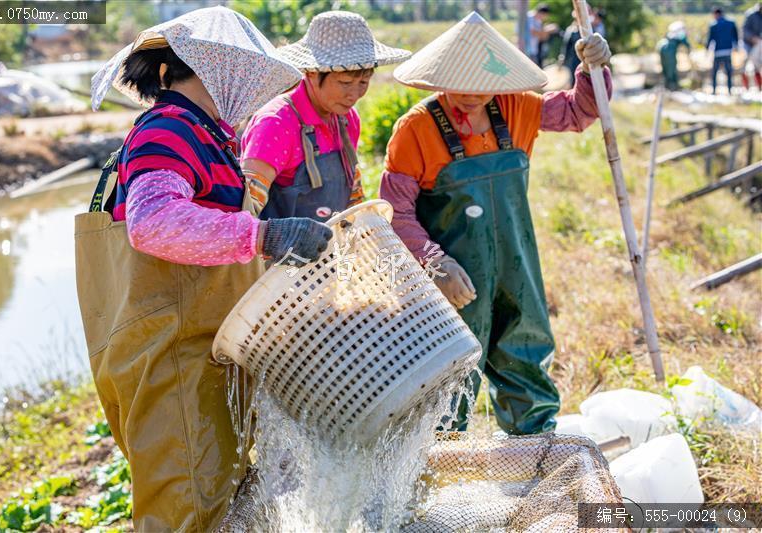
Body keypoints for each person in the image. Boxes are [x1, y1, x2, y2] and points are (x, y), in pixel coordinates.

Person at [78, 7, 333, 531]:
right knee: (186, 507)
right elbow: (152, 221)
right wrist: (264, 235)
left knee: (222, 495)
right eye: (224, 69)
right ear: (177, 73)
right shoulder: (167, 129)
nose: (240, 81)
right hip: (170, 353)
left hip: (207, 347)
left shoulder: (210, 134)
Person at [380, 12, 613, 435]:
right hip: (454, 281)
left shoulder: (518, 107)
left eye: (480, 83)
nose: (470, 95)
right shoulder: (415, 129)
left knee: (524, 358)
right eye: (459, 82)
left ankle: (534, 452)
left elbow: (581, 111)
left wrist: (592, 68)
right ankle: (442, 472)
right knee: (448, 377)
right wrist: (435, 263)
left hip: (515, 271)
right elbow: (394, 212)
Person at [241, 11, 410, 221]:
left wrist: (363, 226)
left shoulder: (347, 120)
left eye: (363, 82)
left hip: (331, 248)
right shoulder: (276, 123)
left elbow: (353, 190)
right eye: (345, 83)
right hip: (282, 252)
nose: (354, 95)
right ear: (311, 73)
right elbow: (247, 209)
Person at [707, 7, 739, 94]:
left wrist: (707, 50)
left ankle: (713, 91)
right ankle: (729, 91)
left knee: (714, 72)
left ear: (716, 14)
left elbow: (710, 39)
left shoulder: (713, 25)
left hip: (718, 52)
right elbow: (736, 37)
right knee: (729, 72)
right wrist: (736, 47)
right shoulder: (731, 23)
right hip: (728, 51)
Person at [658, 21, 691, 91]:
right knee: (671, 68)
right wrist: (689, 50)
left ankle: (667, 86)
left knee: (665, 68)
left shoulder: (671, 33)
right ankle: (672, 86)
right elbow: (685, 42)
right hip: (669, 51)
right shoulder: (680, 33)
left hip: (662, 47)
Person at [741, 2, 762, 91]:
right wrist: (752, 38)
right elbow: (745, 30)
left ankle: (759, 87)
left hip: (759, 44)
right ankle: (745, 87)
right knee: (744, 66)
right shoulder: (751, 14)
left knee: (757, 66)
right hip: (747, 44)